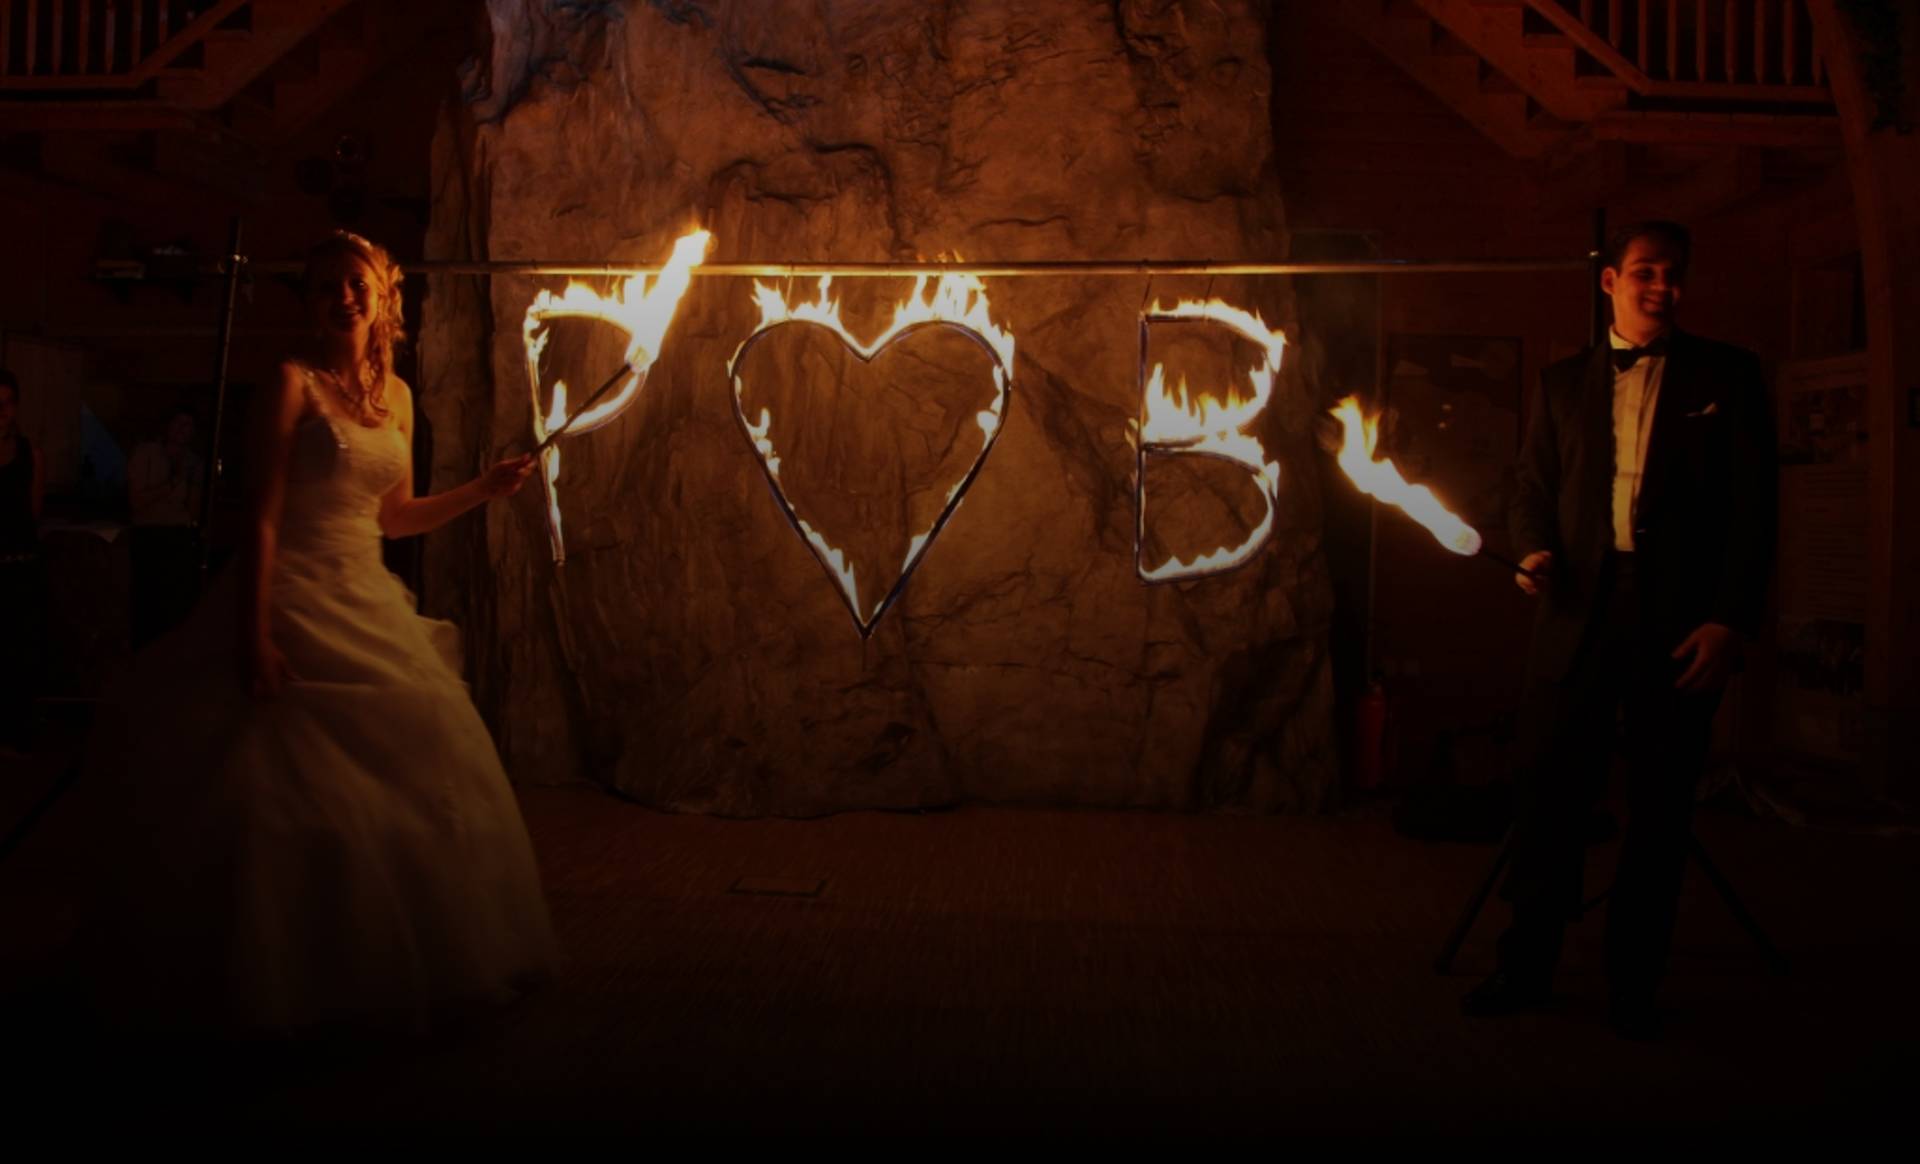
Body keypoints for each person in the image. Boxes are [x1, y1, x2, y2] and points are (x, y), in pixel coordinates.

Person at [84, 231, 557, 1042]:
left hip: (367, 596)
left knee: (415, 770)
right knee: (275, 794)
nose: (341, 296)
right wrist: (254, 633)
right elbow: (262, 519)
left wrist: (483, 489)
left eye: (354, 283)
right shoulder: (288, 383)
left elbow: (395, 518)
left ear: (382, 297)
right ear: (309, 301)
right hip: (291, 593)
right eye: (324, 285)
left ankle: (378, 967)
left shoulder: (397, 396)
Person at [1464, 221, 1778, 1039]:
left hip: (1680, 621)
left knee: (1661, 809)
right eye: (1645, 272)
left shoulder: (1729, 376)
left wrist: (1729, 621)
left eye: (1674, 274)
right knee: (1547, 796)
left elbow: (1755, 511)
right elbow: (1531, 486)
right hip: (1576, 613)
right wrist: (1533, 548)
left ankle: (1633, 983)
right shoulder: (1562, 382)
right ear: (1610, 281)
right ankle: (1525, 965)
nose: (1661, 287)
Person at [126, 406, 205, 647]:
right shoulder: (145, 454)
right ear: (167, 425)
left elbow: (193, 509)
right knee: (146, 599)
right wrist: (171, 484)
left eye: (188, 425)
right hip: (148, 534)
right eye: (178, 423)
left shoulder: (194, 463)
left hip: (179, 536)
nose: (182, 429)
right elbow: (136, 502)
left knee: (175, 600)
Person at [0, 368, 46, 752]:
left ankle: (15, 731)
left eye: (7, 403)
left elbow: (34, 510)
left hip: (19, 564)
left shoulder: (30, 453)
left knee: (18, 650)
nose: (2, 411)